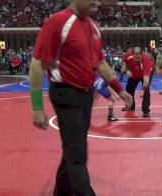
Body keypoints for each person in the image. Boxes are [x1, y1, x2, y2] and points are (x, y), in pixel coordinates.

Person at [29, 0, 133, 195]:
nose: (98, 1)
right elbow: (37, 64)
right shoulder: (58, 22)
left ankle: (60, 192)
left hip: (86, 96)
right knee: (78, 154)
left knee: (73, 148)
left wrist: (120, 90)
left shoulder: (93, 26)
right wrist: (37, 107)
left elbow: (100, 63)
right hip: (66, 94)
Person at [121, 47, 154, 117]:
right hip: (133, 73)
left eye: (139, 58)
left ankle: (145, 110)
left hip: (144, 74)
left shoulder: (146, 59)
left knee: (146, 90)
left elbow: (146, 80)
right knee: (129, 88)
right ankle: (131, 106)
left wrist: (143, 89)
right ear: (132, 54)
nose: (137, 60)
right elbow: (124, 63)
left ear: (142, 55)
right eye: (135, 58)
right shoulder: (128, 54)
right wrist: (127, 70)